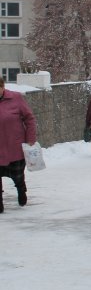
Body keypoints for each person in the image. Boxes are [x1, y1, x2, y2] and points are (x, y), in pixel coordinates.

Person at [0, 76, 37, 213]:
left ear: (2, 86)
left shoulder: (16, 98)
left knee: (17, 176)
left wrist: (30, 138)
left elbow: (29, 118)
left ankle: (21, 189)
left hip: (14, 147)